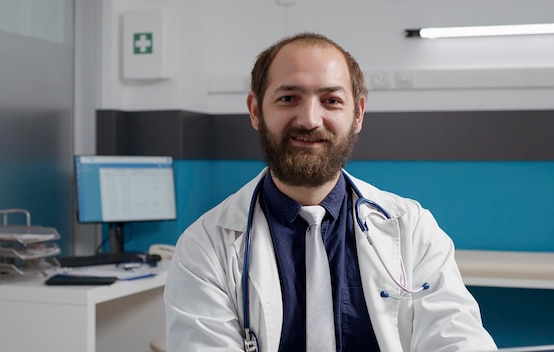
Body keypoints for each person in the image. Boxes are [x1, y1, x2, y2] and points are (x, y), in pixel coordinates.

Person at [164, 32, 498, 352]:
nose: (310, 119)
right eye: (288, 98)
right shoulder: (204, 248)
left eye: (332, 100)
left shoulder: (412, 229)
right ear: (255, 110)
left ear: (357, 114)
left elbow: (458, 339)